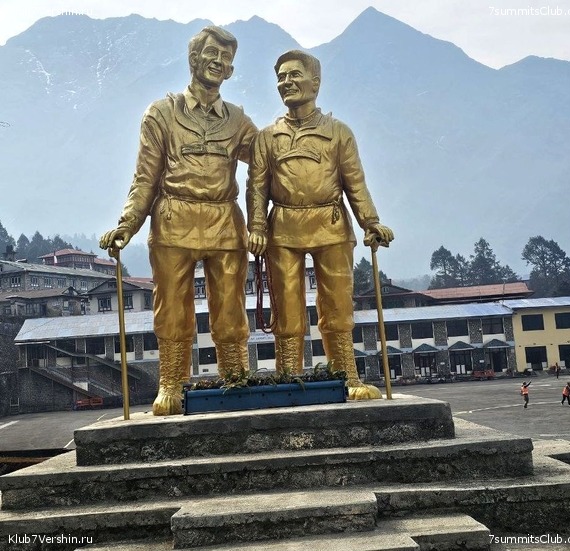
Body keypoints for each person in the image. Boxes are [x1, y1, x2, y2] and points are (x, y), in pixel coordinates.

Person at [99, 26, 257, 416]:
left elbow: (268, 163)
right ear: (193, 58)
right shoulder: (161, 114)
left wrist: (265, 220)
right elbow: (145, 178)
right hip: (173, 220)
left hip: (224, 222)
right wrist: (127, 224)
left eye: (226, 57)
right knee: (171, 309)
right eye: (212, 53)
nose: (219, 61)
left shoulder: (238, 121)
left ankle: (236, 380)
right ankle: (171, 382)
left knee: (231, 309)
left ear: (231, 70)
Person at [246, 50, 394, 400]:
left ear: (315, 83)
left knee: (337, 305)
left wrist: (370, 221)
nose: (286, 82)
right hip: (283, 227)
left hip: (331, 224)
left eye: (294, 75)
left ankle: (346, 376)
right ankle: (288, 378)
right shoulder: (266, 137)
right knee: (287, 308)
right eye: (281, 77)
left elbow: (355, 182)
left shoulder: (338, 132)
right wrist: (257, 227)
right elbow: (257, 187)